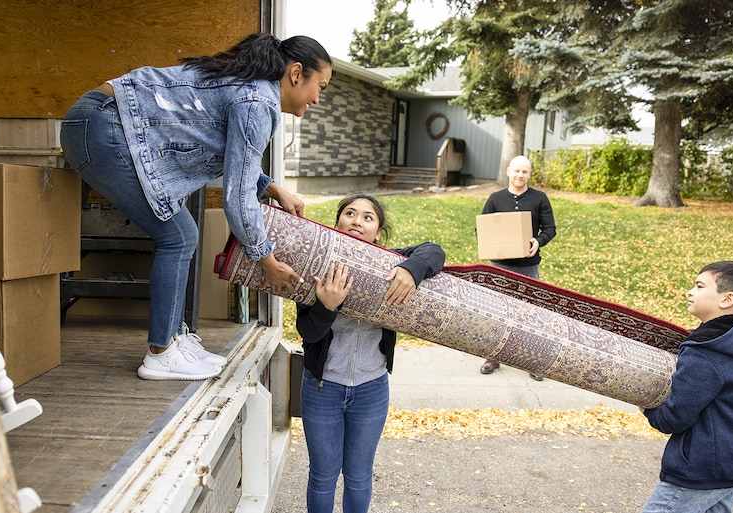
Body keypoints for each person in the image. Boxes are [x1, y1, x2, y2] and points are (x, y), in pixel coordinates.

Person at [59, 33, 332, 381]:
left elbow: (233, 157)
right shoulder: (257, 101)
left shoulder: (249, 88)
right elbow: (237, 195)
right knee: (179, 236)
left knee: (181, 235)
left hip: (96, 120)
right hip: (104, 127)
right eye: (319, 86)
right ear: (296, 74)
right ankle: (160, 352)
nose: (318, 98)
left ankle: (172, 341)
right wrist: (266, 260)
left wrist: (273, 187)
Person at [296, 195, 445, 513]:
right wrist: (327, 307)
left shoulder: (392, 262)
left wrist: (411, 270)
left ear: (377, 231)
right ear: (337, 222)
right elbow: (308, 333)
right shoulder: (317, 263)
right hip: (323, 390)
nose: (356, 221)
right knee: (323, 477)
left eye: (367, 217)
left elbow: (434, 251)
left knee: (359, 476)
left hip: (371, 390)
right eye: (349, 213)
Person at [640, 260, 733, 513]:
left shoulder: (705, 352)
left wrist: (648, 408)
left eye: (700, 286)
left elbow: (675, 418)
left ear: (727, 299)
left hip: (705, 466)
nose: (691, 291)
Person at [479, 154, 556, 380]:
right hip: (500, 266)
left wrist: (537, 241)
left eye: (525, 171)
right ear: (509, 172)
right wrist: (490, 242)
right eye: (517, 171)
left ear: (529, 174)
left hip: (528, 266)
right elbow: (482, 230)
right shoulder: (495, 199)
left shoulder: (540, 198)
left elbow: (550, 229)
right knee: (498, 313)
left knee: (529, 315)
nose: (520, 175)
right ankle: (493, 356)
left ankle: (531, 361)